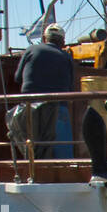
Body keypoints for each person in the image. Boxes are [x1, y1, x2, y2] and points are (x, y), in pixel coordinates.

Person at [9, 24, 76, 160]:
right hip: (58, 107)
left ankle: (33, 169)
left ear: (44, 39)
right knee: (63, 152)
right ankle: (64, 172)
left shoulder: (31, 50)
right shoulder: (66, 57)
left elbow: (17, 78)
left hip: (30, 108)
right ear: (62, 42)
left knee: (31, 144)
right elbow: (70, 87)